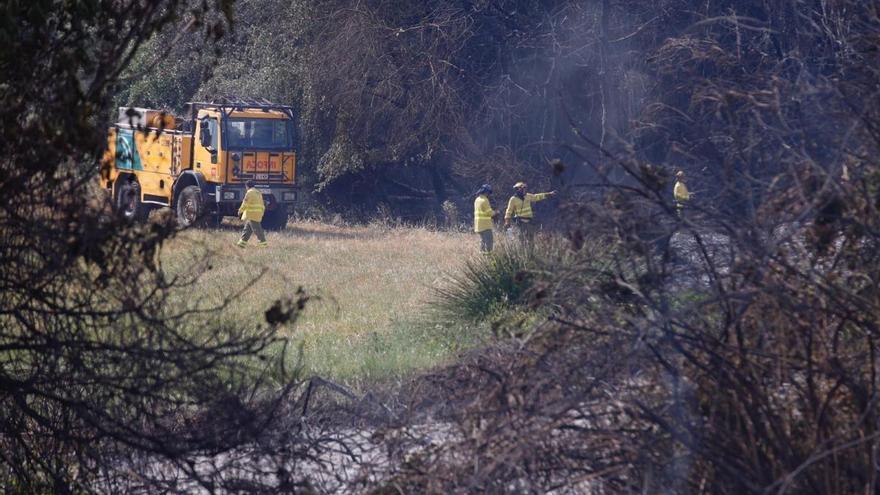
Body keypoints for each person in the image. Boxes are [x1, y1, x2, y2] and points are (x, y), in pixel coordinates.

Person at [236, 180, 268, 248]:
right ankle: (241, 243)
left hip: (252, 214)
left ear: (247, 186)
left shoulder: (249, 193)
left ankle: (263, 244)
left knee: (257, 230)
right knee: (247, 229)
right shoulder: (258, 192)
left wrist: (240, 210)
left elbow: (245, 203)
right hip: (258, 213)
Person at [473, 183, 498, 253]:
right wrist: (496, 212)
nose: (489, 194)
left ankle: (482, 257)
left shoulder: (477, 199)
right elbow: (489, 213)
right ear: (486, 192)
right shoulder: (485, 200)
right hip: (485, 226)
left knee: (483, 241)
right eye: (489, 192)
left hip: (478, 225)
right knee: (489, 242)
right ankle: (489, 257)